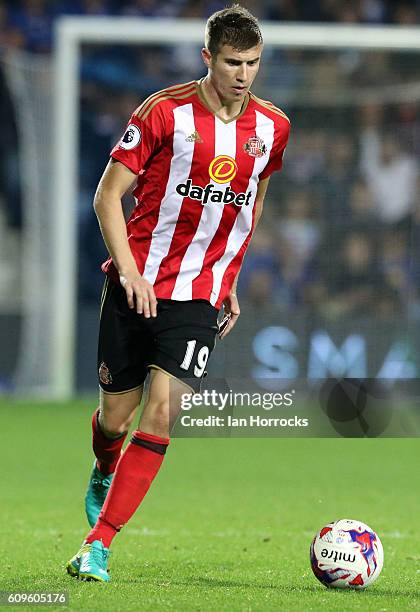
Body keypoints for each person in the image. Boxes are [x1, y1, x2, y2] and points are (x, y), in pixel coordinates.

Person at [66, 4, 290, 582]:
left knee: (162, 411)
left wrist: (230, 274)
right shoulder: (163, 112)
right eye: (232, 62)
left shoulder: (272, 128)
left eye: (253, 63)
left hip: (199, 294)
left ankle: (99, 544)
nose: (243, 75)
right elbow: (106, 197)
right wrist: (130, 271)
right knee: (115, 419)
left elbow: (253, 199)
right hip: (133, 283)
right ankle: (103, 464)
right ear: (207, 59)